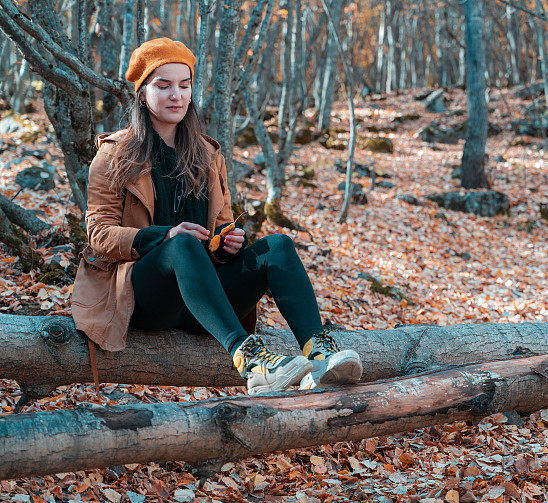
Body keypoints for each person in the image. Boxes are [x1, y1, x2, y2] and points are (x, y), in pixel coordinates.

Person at [70, 37, 362, 395]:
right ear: (142, 94)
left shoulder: (208, 155)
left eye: (184, 85)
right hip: (145, 298)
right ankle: (253, 362)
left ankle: (319, 353)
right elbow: (98, 235)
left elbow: (221, 225)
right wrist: (162, 236)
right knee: (180, 246)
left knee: (279, 246)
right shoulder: (114, 155)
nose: (175, 95)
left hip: (203, 304)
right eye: (163, 86)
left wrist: (226, 244)